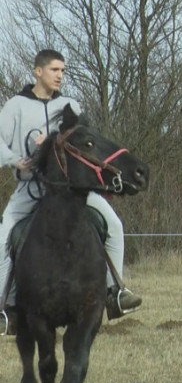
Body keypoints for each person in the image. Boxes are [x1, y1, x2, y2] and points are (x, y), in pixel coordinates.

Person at [0, 49, 141, 331]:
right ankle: (6, 308)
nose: (60, 76)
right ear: (38, 71)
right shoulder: (15, 106)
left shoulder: (69, 106)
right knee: (3, 238)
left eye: (63, 71)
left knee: (114, 225)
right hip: (31, 190)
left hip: (73, 191)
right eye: (55, 70)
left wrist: (52, 140)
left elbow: (83, 140)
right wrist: (16, 160)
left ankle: (115, 293)